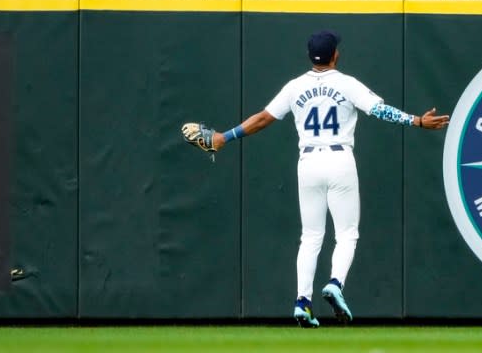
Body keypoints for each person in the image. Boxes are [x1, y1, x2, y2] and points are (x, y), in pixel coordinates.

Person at [186, 30, 449, 327]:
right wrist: (416, 121)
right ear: (335, 54)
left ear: (311, 56)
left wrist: (224, 137)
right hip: (340, 160)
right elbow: (379, 110)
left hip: (308, 162)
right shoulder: (346, 84)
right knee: (347, 234)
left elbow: (262, 119)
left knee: (310, 237)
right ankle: (335, 283)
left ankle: (302, 302)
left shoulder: (295, 86)